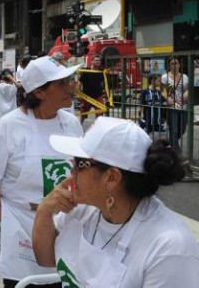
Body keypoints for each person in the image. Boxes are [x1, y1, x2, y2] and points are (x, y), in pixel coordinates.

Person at [33, 117, 199, 287]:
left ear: (111, 177)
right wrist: (44, 211)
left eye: (79, 163)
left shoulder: (169, 249)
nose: (71, 170)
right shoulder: (83, 210)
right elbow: (46, 259)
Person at [0, 56, 83, 288]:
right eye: (62, 83)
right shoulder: (11, 125)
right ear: (40, 92)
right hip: (21, 225)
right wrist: (3, 221)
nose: (71, 86)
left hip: (65, 224)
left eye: (69, 80)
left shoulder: (71, 123)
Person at [161, 56, 189, 150]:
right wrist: (167, 98)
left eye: (176, 63)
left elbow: (187, 89)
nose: (174, 65)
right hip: (172, 107)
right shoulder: (165, 77)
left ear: (179, 65)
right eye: (172, 64)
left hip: (183, 106)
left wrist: (186, 93)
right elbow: (162, 90)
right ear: (169, 65)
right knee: (174, 129)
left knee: (182, 129)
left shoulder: (184, 77)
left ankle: (172, 142)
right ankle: (176, 151)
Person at [78, 56, 106, 123]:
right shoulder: (86, 71)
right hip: (86, 96)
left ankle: (99, 129)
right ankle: (79, 128)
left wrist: (104, 93)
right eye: (96, 60)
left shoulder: (101, 72)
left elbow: (102, 83)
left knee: (100, 114)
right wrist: (79, 94)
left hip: (97, 96)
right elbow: (79, 84)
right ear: (92, 61)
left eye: (99, 60)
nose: (98, 61)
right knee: (83, 114)